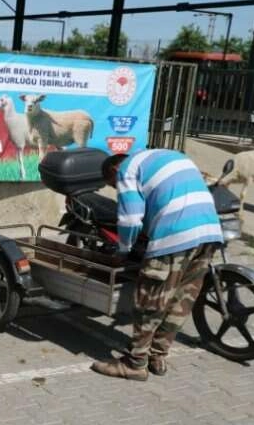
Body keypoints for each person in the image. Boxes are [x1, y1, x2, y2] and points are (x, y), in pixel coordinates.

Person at [90, 149, 224, 381]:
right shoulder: (171, 156)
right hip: (210, 233)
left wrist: (123, 250)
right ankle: (157, 356)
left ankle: (135, 364)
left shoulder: (126, 170)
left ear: (114, 170)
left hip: (175, 235)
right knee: (180, 300)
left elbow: (131, 218)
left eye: (114, 187)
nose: (117, 190)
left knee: (149, 301)